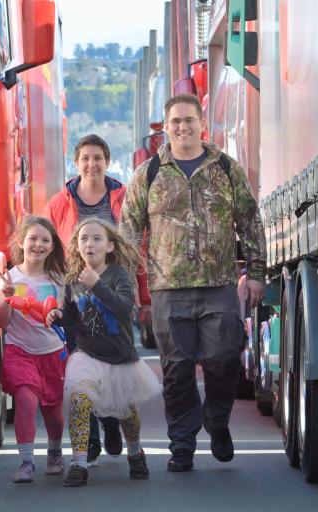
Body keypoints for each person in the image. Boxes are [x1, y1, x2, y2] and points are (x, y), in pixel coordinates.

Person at [120, 93, 266, 472]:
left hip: (219, 285)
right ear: (165, 128)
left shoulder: (226, 169)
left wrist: (256, 273)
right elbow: (129, 231)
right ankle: (181, 445)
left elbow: (250, 221)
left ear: (202, 123)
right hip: (169, 289)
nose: (182, 127)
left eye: (189, 120)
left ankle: (217, 421)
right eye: (175, 122)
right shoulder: (148, 174)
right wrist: (127, 287)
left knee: (224, 359)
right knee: (177, 370)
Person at [46, 218, 161, 487]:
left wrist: (97, 284)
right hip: (87, 354)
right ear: (77, 246)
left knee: (126, 412)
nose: (90, 243)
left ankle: (135, 453)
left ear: (110, 246)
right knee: (78, 399)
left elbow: (124, 308)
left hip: (120, 356)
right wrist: (57, 315)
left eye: (97, 238)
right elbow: (72, 314)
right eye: (84, 238)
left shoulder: (118, 274)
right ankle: (79, 462)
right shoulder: (73, 279)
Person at [43, 134, 136, 463]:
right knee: (81, 364)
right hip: (76, 294)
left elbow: (138, 247)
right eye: (85, 158)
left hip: (112, 292)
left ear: (107, 161)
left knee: (110, 364)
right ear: (76, 162)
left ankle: (111, 423)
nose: (91, 164)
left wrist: (142, 293)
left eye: (98, 158)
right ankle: (92, 434)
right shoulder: (59, 203)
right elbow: (50, 250)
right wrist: (52, 295)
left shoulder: (125, 197)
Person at [0, 216, 67, 483]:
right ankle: (26, 462)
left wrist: (57, 313)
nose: (38, 244)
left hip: (52, 353)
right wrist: (6, 297)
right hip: (19, 351)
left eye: (45, 240)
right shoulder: (9, 278)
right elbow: (1, 322)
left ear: (52, 246)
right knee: (26, 401)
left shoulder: (60, 279)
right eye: (33, 239)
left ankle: (55, 451)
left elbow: (66, 316)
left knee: (54, 413)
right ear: (22, 242)